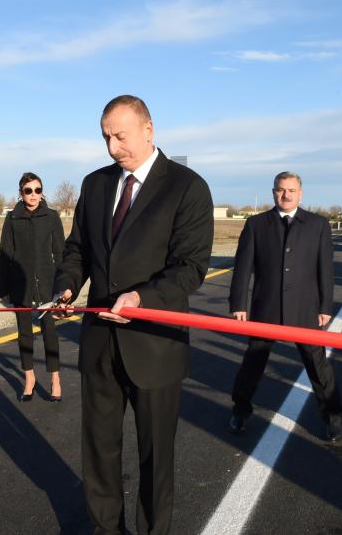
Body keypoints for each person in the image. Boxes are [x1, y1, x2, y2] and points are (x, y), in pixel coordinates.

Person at [53, 95, 213, 534]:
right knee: (99, 453)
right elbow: (78, 250)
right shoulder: (96, 184)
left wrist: (143, 299)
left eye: (119, 136)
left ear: (148, 129)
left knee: (155, 458)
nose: (111, 148)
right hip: (100, 343)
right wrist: (66, 286)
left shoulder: (187, 187)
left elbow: (190, 266)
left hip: (154, 345)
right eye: (105, 137)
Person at [226, 172, 342, 441]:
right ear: (273, 192)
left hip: (306, 310)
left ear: (300, 193)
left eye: (292, 190)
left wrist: (326, 305)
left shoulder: (318, 225)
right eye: (281, 190)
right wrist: (238, 303)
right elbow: (243, 268)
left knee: (318, 366)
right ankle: (240, 411)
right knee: (252, 364)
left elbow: (325, 270)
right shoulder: (256, 225)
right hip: (265, 308)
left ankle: (334, 417)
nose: (286, 195)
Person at [0, 172, 65, 402]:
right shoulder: (12, 219)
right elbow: (5, 254)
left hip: (47, 283)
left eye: (37, 190)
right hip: (20, 283)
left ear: (42, 192)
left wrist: (63, 285)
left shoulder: (52, 216)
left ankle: (55, 378)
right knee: (24, 333)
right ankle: (29, 378)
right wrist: (3, 287)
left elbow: (60, 254)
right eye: (28, 191)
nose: (33, 195)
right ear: (21, 193)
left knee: (50, 332)